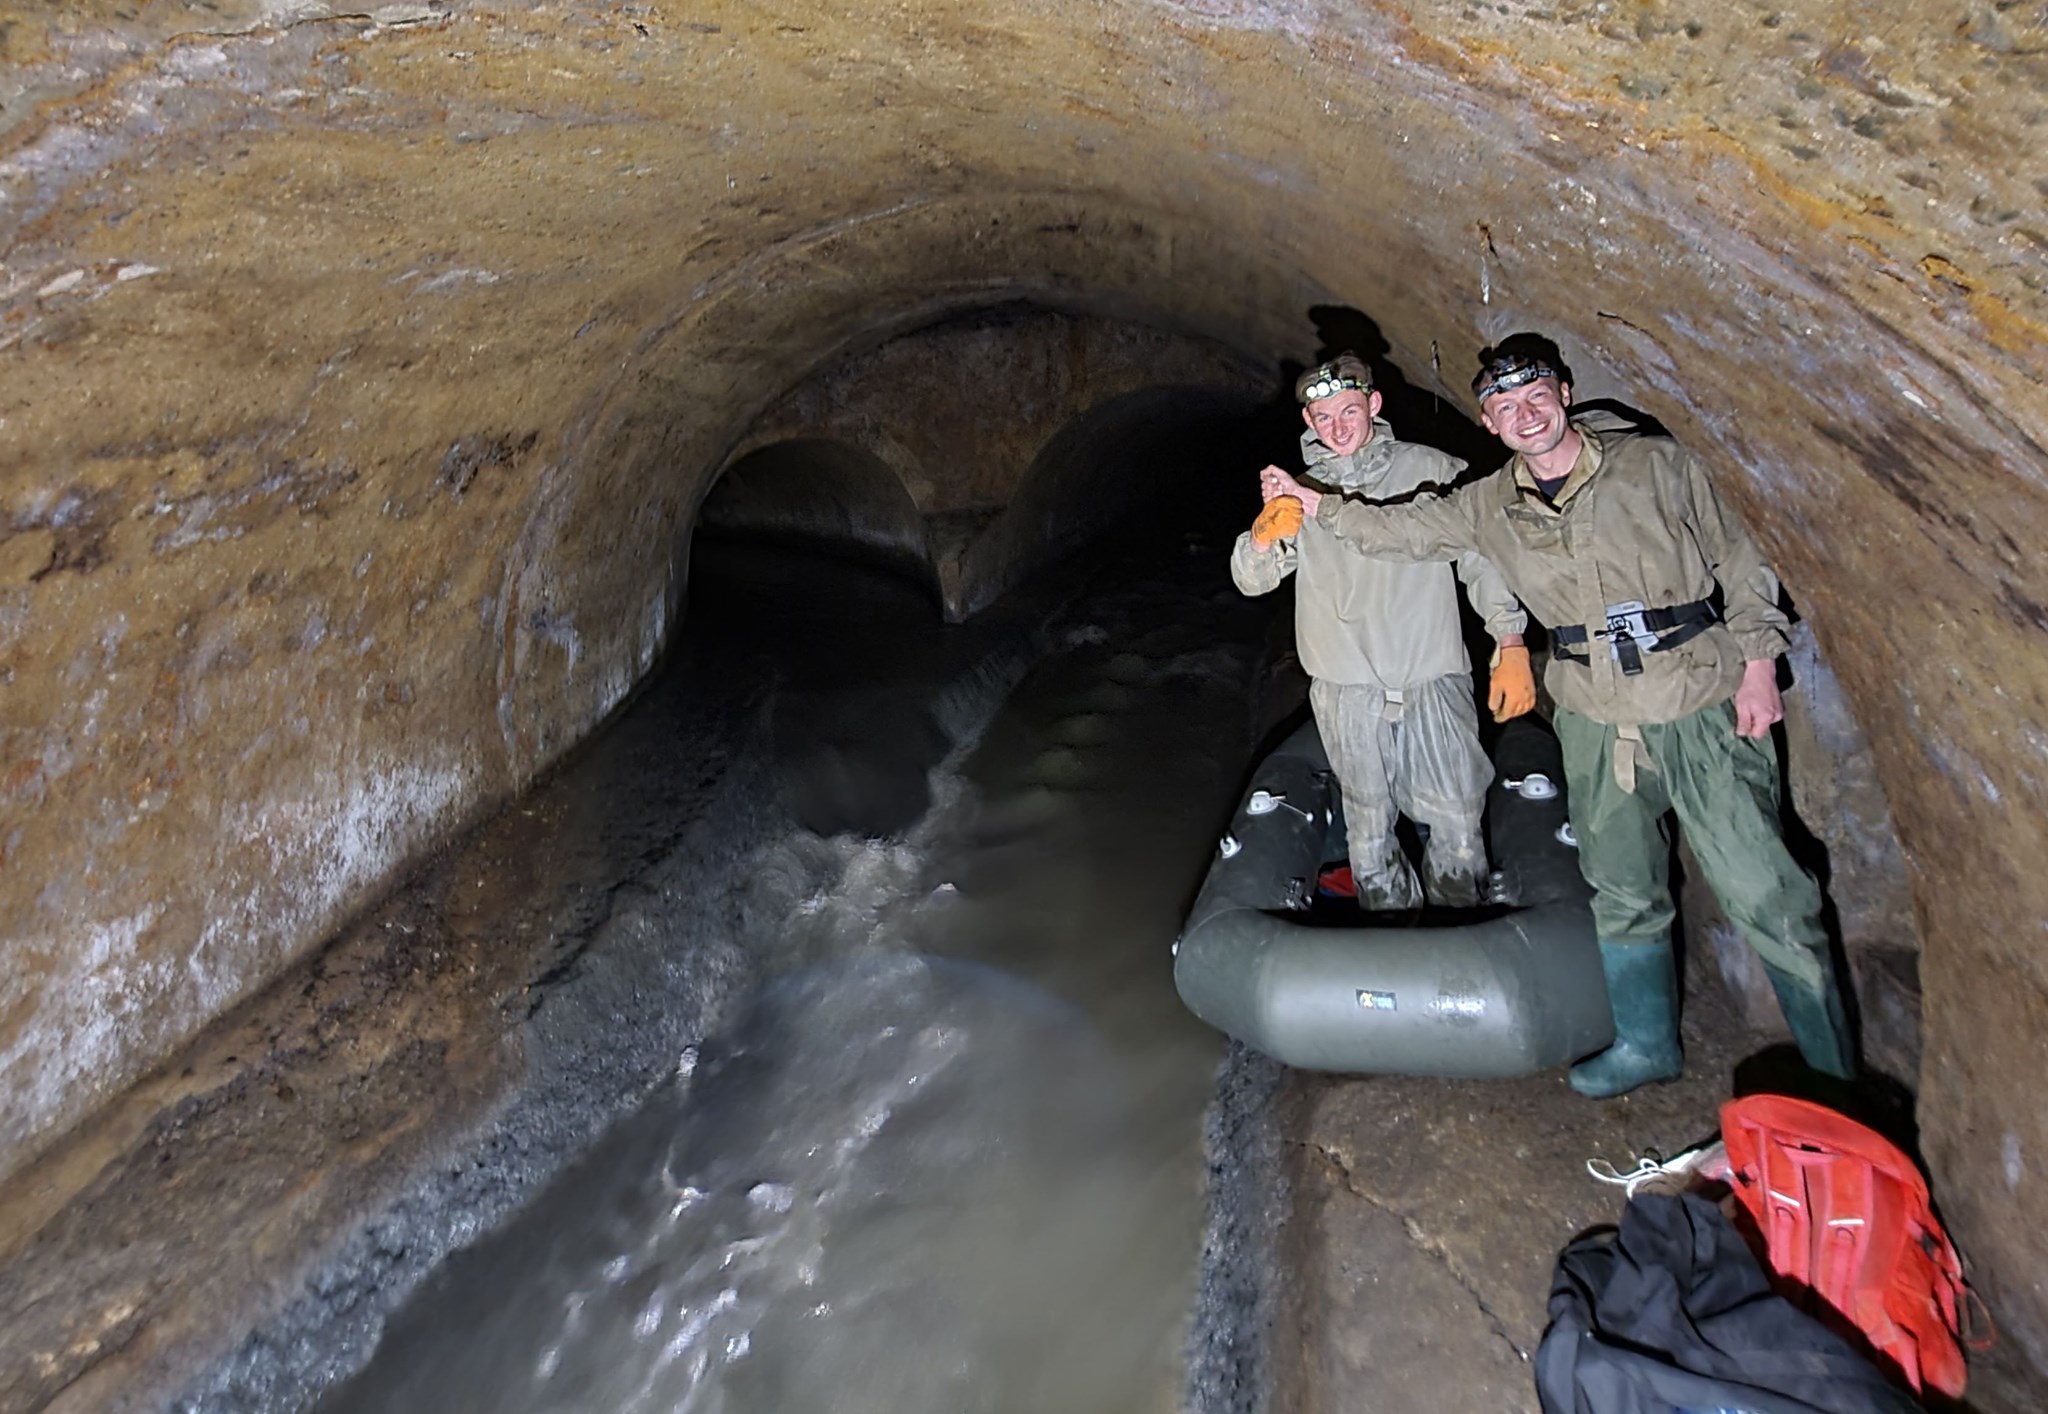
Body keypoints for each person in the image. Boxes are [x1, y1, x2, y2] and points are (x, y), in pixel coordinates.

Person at [1259, 334, 1855, 1096]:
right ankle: (1646, 1046)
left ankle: (1834, 1078)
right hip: (1596, 715)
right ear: (1489, 421)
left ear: (1565, 394)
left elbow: (1743, 561)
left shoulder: (1657, 466)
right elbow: (1398, 531)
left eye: (1537, 398)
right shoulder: (1491, 501)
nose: (1526, 416)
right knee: (1620, 884)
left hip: (1694, 696)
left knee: (1763, 886)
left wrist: (1760, 665)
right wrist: (1313, 504)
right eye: (1507, 407)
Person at [1232, 353, 1535, 911]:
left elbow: (1481, 559)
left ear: (1373, 404)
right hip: (1346, 690)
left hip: (1431, 677)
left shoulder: (1433, 470)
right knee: (1368, 828)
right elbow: (1252, 582)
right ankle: (1388, 927)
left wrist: (1509, 638)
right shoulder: (1300, 491)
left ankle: (1458, 927)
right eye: (1324, 418)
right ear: (1309, 423)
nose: (1339, 427)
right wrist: (1262, 533)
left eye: (1349, 410)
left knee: (1456, 816)